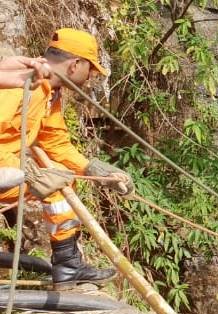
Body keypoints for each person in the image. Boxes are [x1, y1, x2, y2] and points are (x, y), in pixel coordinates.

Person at [0, 28, 134, 286]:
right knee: (56, 187)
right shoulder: (21, 85)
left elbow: (54, 141)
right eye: (90, 70)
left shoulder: (50, 92)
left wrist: (94, 169)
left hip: (10, 168)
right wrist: (22, 172)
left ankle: (67, 264)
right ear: (75, 65)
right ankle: (67, 266)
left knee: (62, 179)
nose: (90, 78)